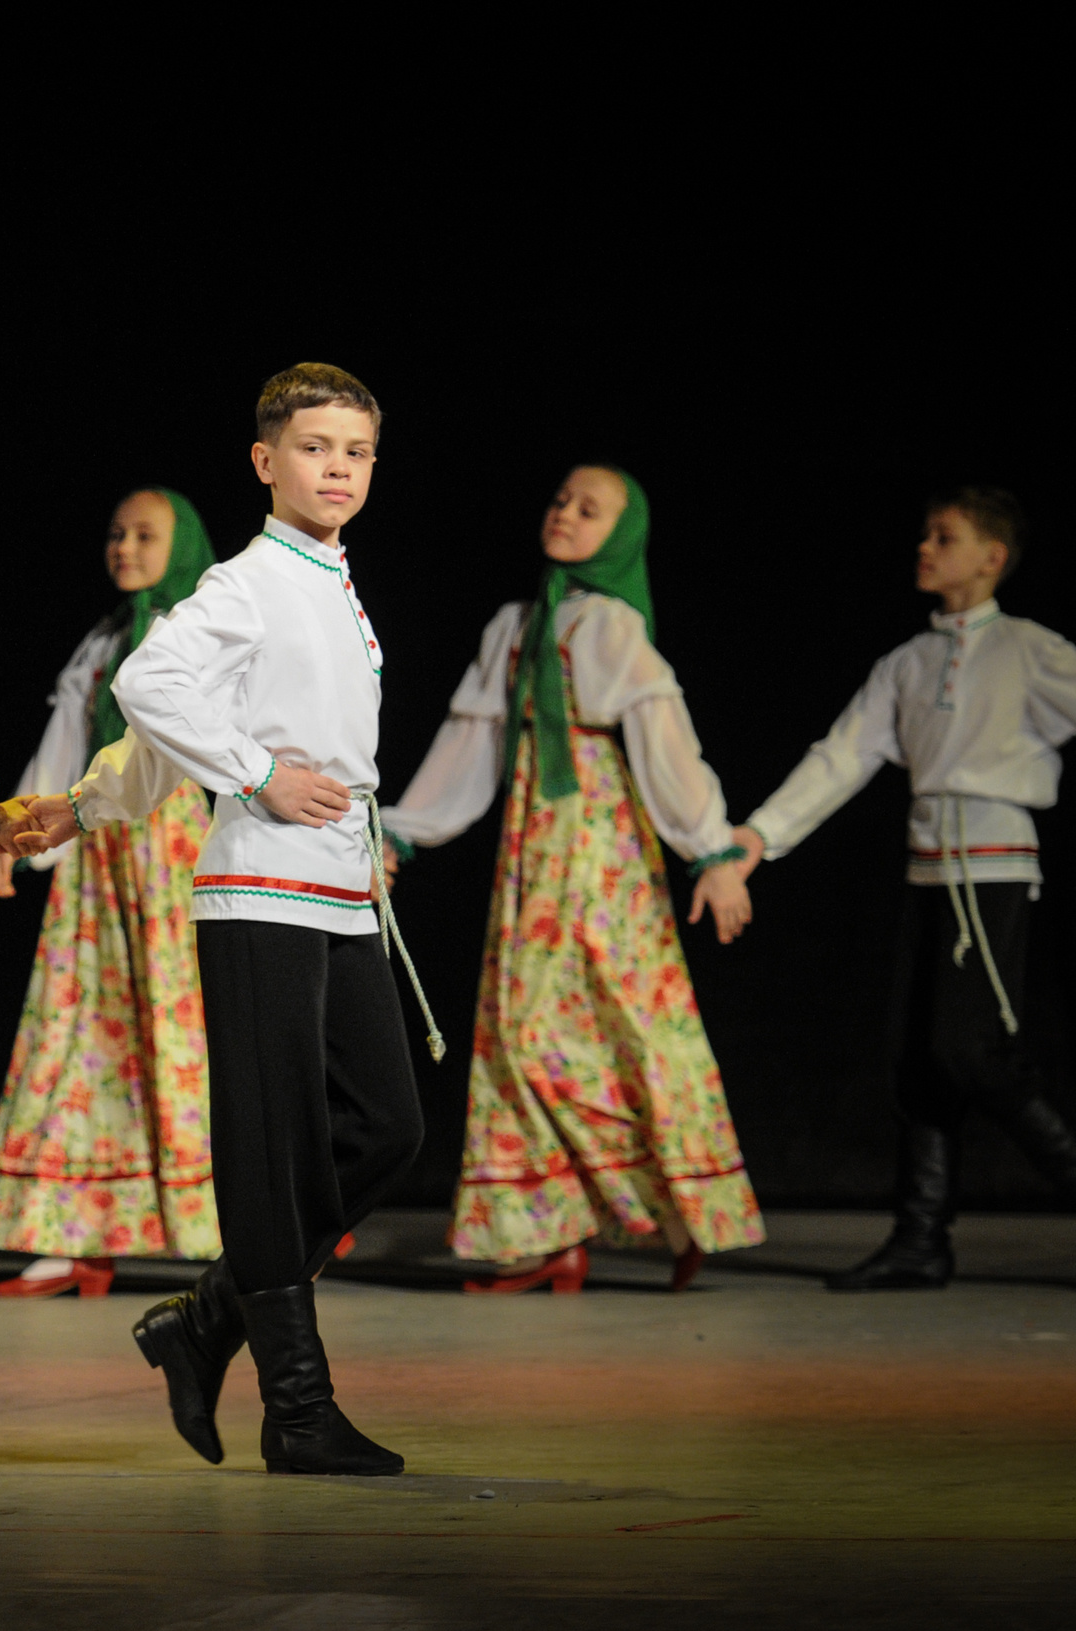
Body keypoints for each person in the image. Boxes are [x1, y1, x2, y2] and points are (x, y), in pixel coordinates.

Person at [17, 364, 433, 1475]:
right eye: (313, 448)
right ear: (264, 462)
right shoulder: (248, 579)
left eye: (355, 450)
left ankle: (205, 1315)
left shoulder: (331, 579)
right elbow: (154, 689)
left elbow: (167, 735)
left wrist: (96, 795)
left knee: (388, 1125)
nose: (335, 467)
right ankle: (296, 1409)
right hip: (259, 887)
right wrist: (252, 776)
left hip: (338, 887)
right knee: (273, 1148)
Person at [379, 467, 764, 1295]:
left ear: (621, 537)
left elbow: (667, 742)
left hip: (600, 840)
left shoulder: (613, 625)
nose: (565, 514)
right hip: (534, 838)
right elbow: (470, 744)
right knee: (515, 1024)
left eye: (590, 511)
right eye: (560, 500)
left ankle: (671, 1207)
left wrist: (713, 852)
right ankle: (553, 1229)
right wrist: (403, 836)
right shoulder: (515, 624)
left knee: (615, 1015)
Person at [734, 488, 1076, 1290]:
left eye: (945, 536)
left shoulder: (1029, 648)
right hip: (928, 869)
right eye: (925, 533)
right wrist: (759, 836)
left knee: (973, 1052)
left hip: (992, 869)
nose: (925, 546)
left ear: (992, 557)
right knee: (917, 1061)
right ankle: (921, 1237)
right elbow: (841, 757)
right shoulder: (908, 663)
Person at [0, 487, 219, 1294]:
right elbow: (64, 746)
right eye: (117, 532)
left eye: (146, 535)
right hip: (97, 851)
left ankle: (229, 1224)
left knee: (182, 1029)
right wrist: (13, 839)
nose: (125, 546)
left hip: (173, 849)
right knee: (76, 1025)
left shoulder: (204, 631)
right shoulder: (104, 639)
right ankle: (72, 1233)